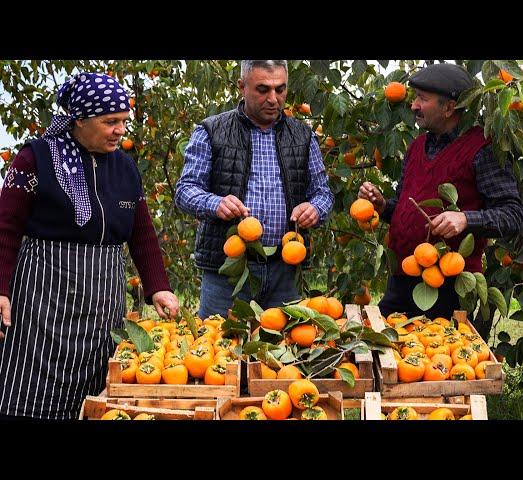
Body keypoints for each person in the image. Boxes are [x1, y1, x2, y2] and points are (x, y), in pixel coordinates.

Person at [0, 72, 180, 420]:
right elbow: (5, 228)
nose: (120, 130)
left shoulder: (126, 169)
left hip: (102, 300)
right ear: (79, 119)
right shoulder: (35, 159)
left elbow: (141, 233)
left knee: (97, 393)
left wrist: (158, 287)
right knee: (32, 391)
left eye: (124, 121)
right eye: (110, 121)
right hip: (43, 299)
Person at [359, 63, 523, 339]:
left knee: (438, 366)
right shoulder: (416, 148)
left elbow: (513, 215)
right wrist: (383, 206)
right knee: (383, 356)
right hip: (402, 279)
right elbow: (406, 207)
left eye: (422, 99)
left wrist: (465, 219)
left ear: (449, 108)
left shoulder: (481, 149)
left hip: (447, 285)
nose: (413, 106)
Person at [175, 60, 333, 318]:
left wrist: (315, 209)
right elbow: (185, 190)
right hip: (227, 270)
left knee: (283, 351)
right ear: (241, 86)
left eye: (280, 89)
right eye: (263, 89)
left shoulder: (303, 135)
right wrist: (215, 203)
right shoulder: (211, 131)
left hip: (284, 269)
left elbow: (323, 193)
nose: (273, 98)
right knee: (221, 349)